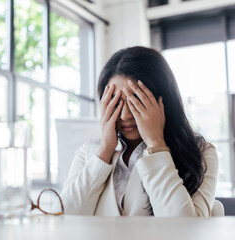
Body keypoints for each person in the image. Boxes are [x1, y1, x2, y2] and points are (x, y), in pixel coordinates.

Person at [58, 46, 218, 217]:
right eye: (116, 102)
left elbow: (183, 229)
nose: (125, 115)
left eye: (136, 101)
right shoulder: (89, 152)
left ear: (163, 99)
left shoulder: (200, 152)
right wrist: (105, 150)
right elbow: (62, 218)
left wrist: (156, 145)